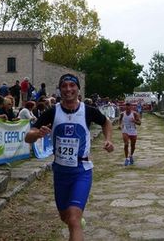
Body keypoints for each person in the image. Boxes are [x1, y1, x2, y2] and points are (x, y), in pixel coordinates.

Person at [25, 73, 114, 241]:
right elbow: (28, 136)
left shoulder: (88, 111)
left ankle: (77, 223)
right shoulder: (52, 112)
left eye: (72, 85)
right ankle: (76, 222)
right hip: (60, 172)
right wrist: (37, 133)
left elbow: (106, 122)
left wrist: (108, 140)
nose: (68, 89)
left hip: (82, 171)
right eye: (64, 86)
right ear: (60, 89)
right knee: (65, 217)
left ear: (78, 89)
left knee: (73, 219)